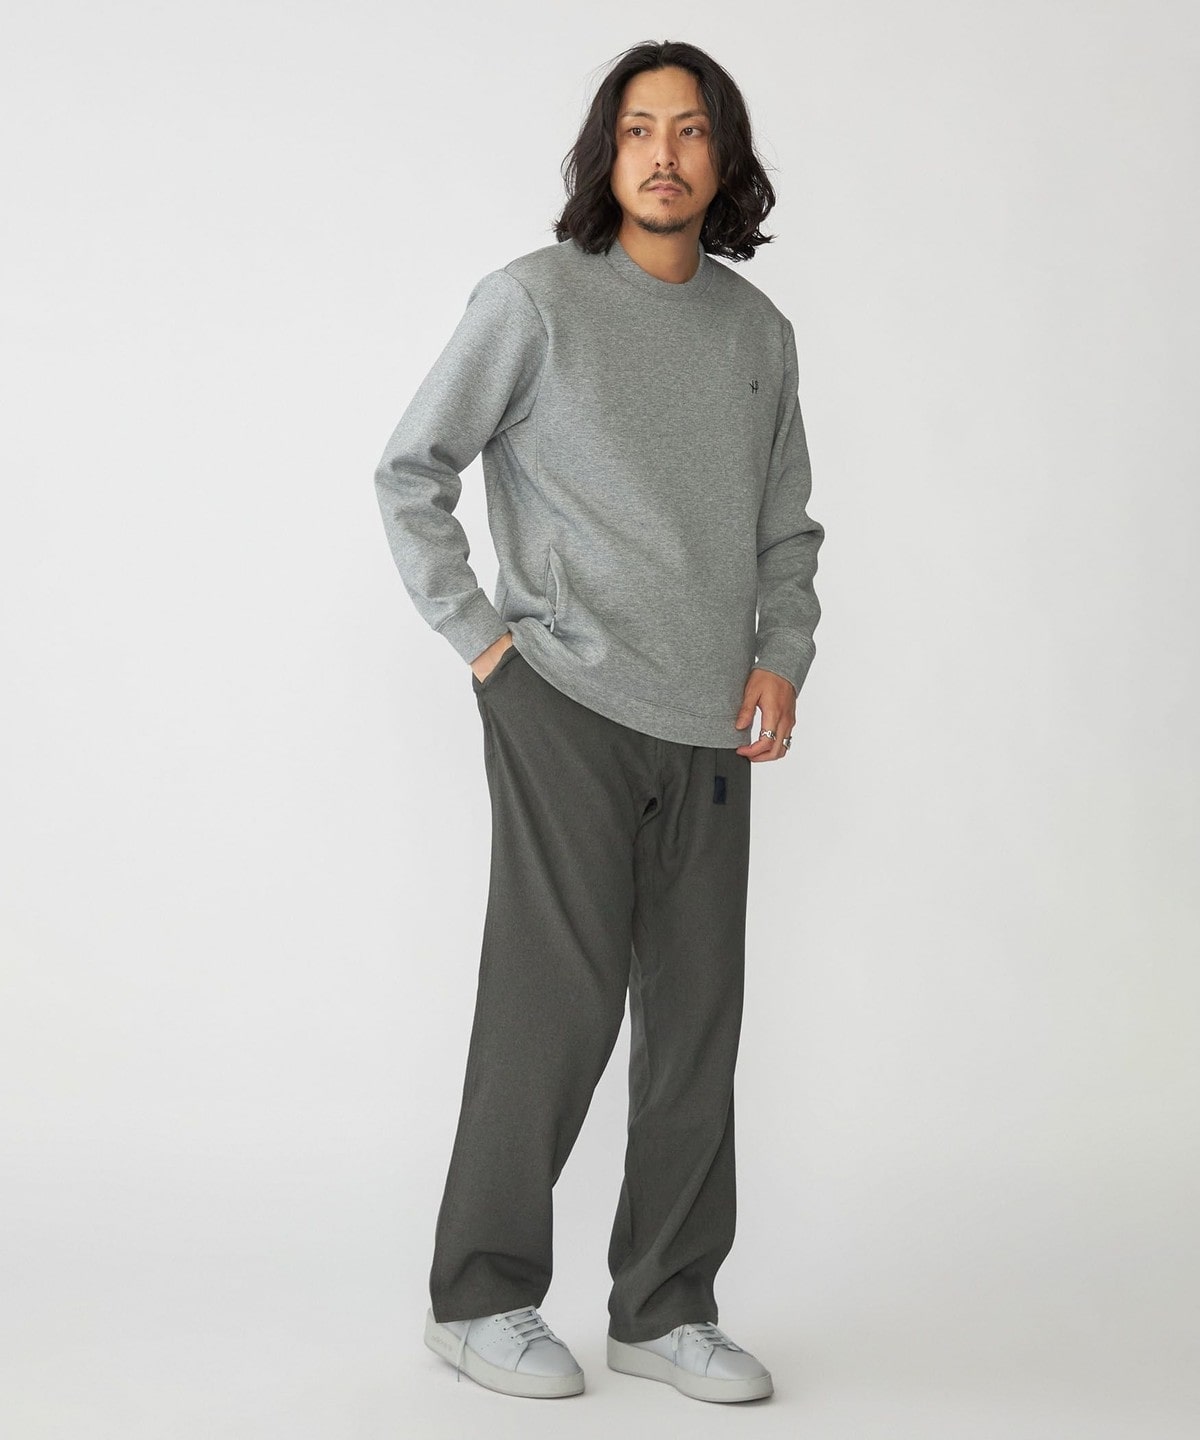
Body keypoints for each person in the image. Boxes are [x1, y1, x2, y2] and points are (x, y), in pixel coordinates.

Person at [373, 38, 823, 1405]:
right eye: (638, 130)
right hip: (562, 700)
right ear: (605, 153)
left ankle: (665, 1308)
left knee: (695, 1023)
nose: (664, 155)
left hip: (712, 724)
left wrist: (782, 655)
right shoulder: (536, 301)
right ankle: (479, 1297)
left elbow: (786, 528)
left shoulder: (758, 335)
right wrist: (487, 646)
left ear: (724, 159)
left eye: (690, 131)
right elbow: (411, 471)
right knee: (553, 1010)